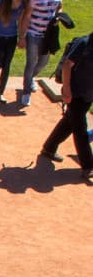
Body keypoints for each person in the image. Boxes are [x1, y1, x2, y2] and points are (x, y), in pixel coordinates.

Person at [39, 32, 93, 181]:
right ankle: (88, 166)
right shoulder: (83, 43)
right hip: (75, 93)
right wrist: (66, 88)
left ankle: (49, 148)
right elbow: (67, 65)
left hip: (88, 94)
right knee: (80, 129)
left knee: (69, 122)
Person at [20, 0, 62, 107]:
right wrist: (22, 36)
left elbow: (59, 8)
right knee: (31, 63)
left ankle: (30, 78)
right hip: (33, 34)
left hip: (48, 36)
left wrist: (59, 18)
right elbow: (26, 16)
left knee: (43, 62)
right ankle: (26, 92)